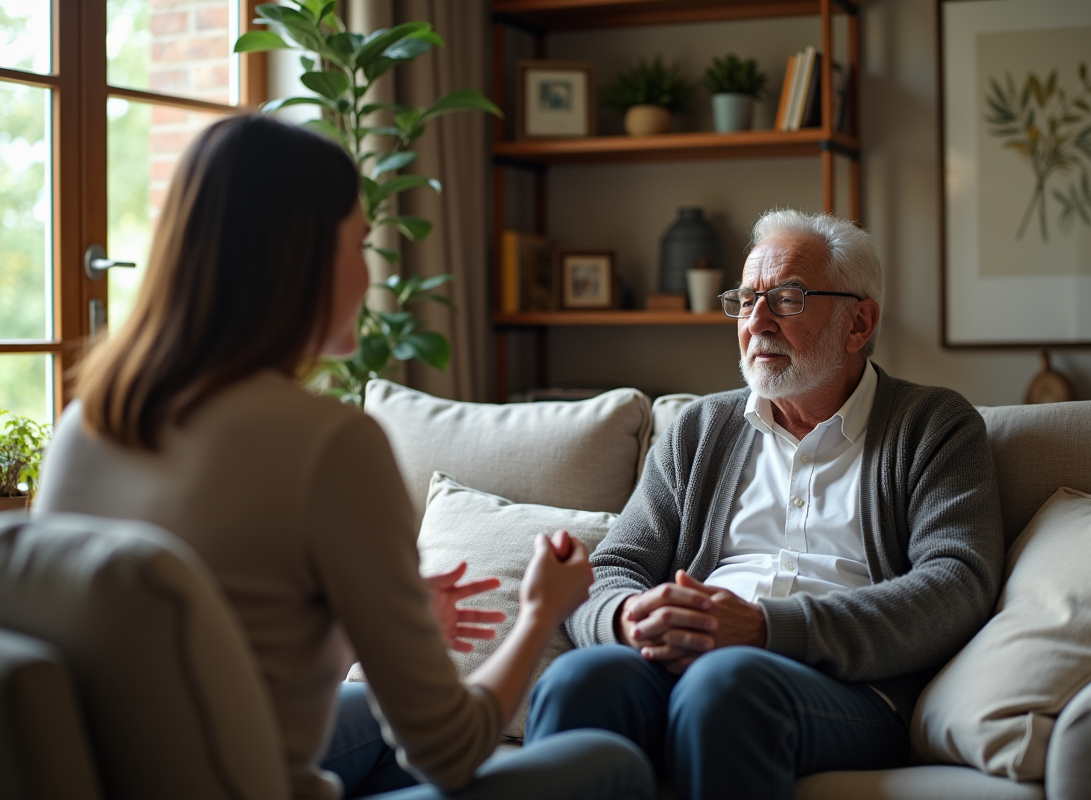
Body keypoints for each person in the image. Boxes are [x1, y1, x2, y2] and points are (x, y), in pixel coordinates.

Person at [35, 115, 654, 800]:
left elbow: (199, 659)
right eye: (357, 243)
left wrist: (361, 623)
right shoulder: (330, 443)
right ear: (296, 255)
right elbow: (447, 754)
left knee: (364, 713)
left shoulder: (82, 427)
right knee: (611, 763)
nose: (367, 275)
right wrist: (540, 611)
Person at [525, 209, 1006, 800]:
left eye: (788, 299)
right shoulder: (699, 429)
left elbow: (958, 583)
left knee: (727, 685)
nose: (757, 321)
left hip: (849, 689)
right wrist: (627, 619)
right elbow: (612, 566)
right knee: (579, 681)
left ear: (859, 323)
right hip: (688, 661)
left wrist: (766, 629)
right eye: (746, 299)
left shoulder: (933, 426)